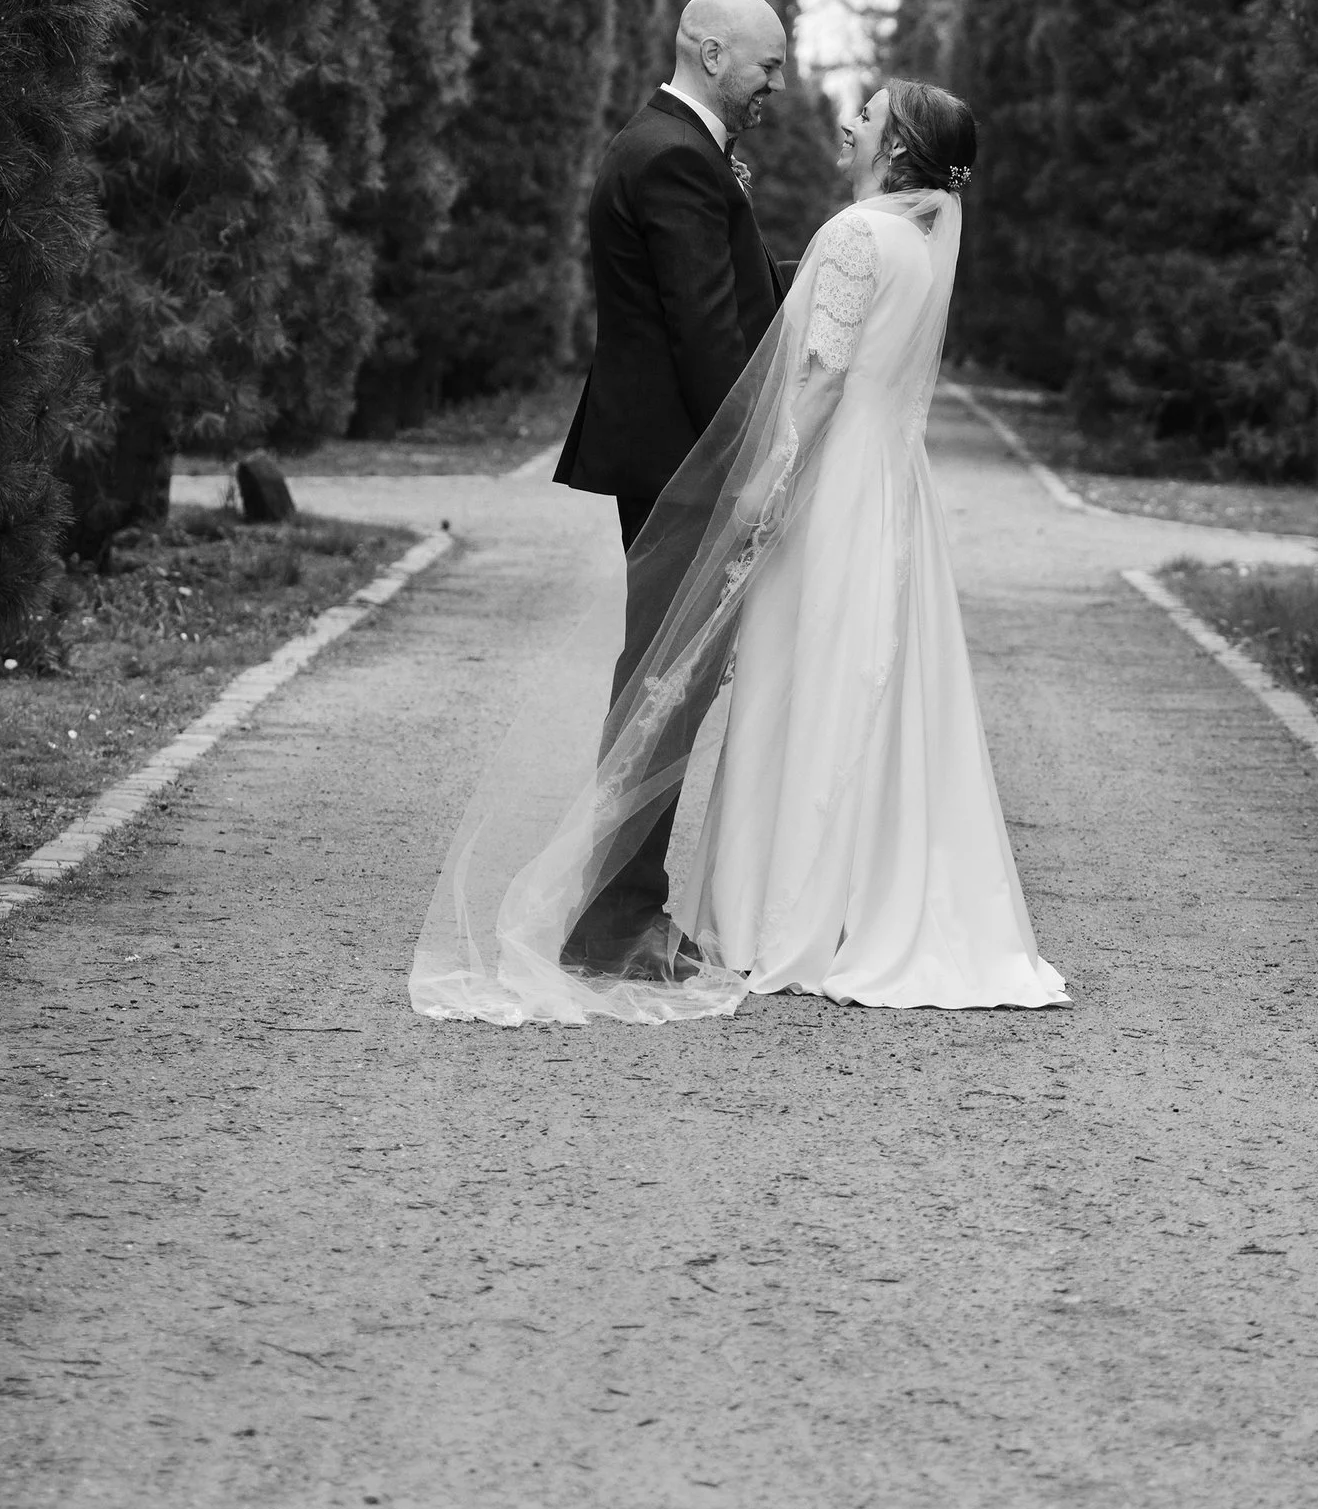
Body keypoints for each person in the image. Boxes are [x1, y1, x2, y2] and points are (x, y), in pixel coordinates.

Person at [410, 76, 1066, 1023]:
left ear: (896, 147)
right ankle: (855, 901)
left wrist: (763, 479)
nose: (848, 120)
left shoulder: (853, 237)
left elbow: (820, 378)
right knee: (872, 686)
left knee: (799, 679)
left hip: (834, 486)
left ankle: (778, 909)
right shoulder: (921, 241)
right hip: (890, 490)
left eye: (867, 115)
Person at [548, 0, 791, 976]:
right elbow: (704, 336)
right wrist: (756, 461)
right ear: (710, 50)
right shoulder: (676, 158)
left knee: (665, 677)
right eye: (767, 63)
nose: (778, 82)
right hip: (686, 463)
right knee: (665, 683)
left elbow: (727, 289)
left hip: (671, 455)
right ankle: (613, 921)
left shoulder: (671, 147)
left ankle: (618, 909)